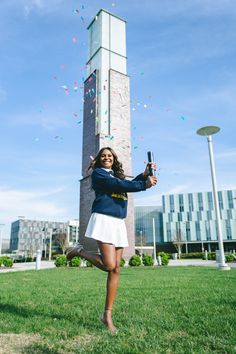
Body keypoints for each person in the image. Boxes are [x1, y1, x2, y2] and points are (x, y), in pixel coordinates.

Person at [67, 147, 157, 332]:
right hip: (104, 218)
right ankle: (80, 251)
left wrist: (144, 174)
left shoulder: (116, 176)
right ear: (99, 160)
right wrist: (144, 185)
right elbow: (119, 186)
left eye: (110, 155)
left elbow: (125, 183)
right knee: (109, 265)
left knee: (115, 269)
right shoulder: (99, 174)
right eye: (103, 156)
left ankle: (106, 315)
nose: (107, 157)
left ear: (114, 159)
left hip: (118, 222)